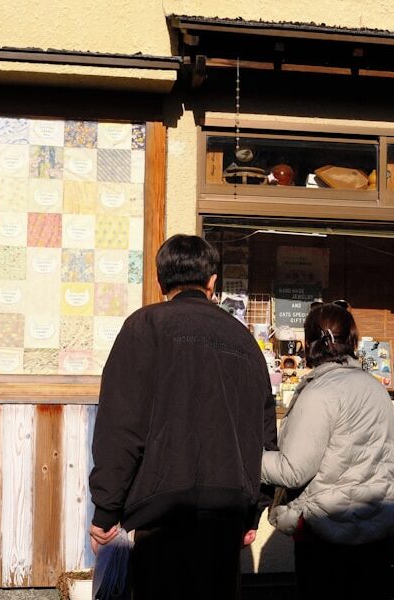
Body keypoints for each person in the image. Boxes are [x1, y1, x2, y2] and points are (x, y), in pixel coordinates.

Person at [88, 234, 278, 600]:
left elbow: (120, 429)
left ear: (161, 283)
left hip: (160, 518)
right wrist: (252, 513)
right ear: (212, 283)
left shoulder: (144, 327)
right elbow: (265, 436)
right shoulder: (243, 340)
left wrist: (105, 512)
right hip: (226, 517)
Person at [261, 303, 394, 600]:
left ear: (308, 343)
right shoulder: (376, 389)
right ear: (352, 340)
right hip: (378, 534)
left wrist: (244, 457)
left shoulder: (319, 393)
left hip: (328, 536)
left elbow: (293, 470)